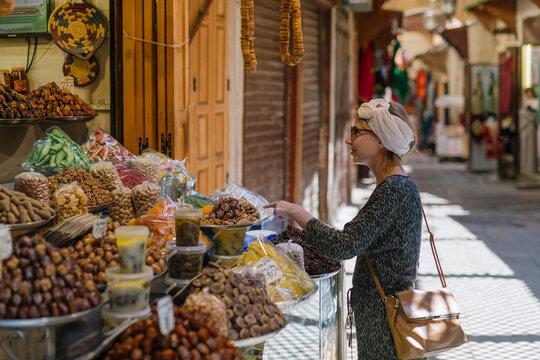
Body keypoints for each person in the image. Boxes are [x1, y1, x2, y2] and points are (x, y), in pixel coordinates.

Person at [265, 98, 422, 359]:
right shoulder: (396, 185)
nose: (349, 141)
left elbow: (343, 246)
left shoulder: (394, 189)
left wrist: (296, 212)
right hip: (384, 311)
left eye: (356, 132)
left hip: (386, 317)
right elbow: (359, 238)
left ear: (381, 140)